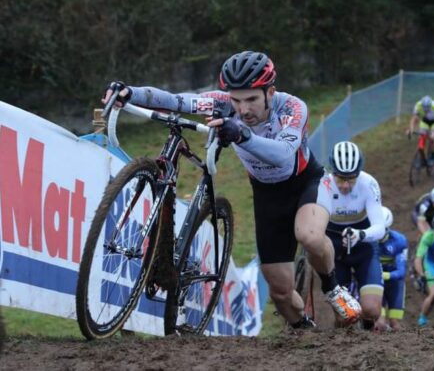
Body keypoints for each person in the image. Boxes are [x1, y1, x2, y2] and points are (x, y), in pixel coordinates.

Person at [101, 50, 361, 329]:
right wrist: (130, 92)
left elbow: (284, 154)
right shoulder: (221, 104)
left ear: (270, 93)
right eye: (236, 100)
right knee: (281, 294)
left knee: (308, 236)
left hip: (306, 182)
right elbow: (175, 100)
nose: (243, 109)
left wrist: (241, 134)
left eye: (251, 99)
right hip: (266, 195)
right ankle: (305, 333)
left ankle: (333, 287)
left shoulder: (292, 108)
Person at [319, 141, 386, 329]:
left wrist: (361, 234)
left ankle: (367, 333)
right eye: (340, 179)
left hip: (363, 247)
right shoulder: (322, 184)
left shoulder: (369, 184)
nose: (346, 185)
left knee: (372, 311)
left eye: (352, 178)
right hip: (334, 251)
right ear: (332, 173)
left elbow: (380, 228)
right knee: (343, 318)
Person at [375, 206, 408, 331]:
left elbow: (401, 271)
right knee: (380, 323)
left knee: (395, 324)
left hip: (395, 284)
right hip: (377, 284)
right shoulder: (369, 241)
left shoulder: (399, 241)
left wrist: (384, 275)